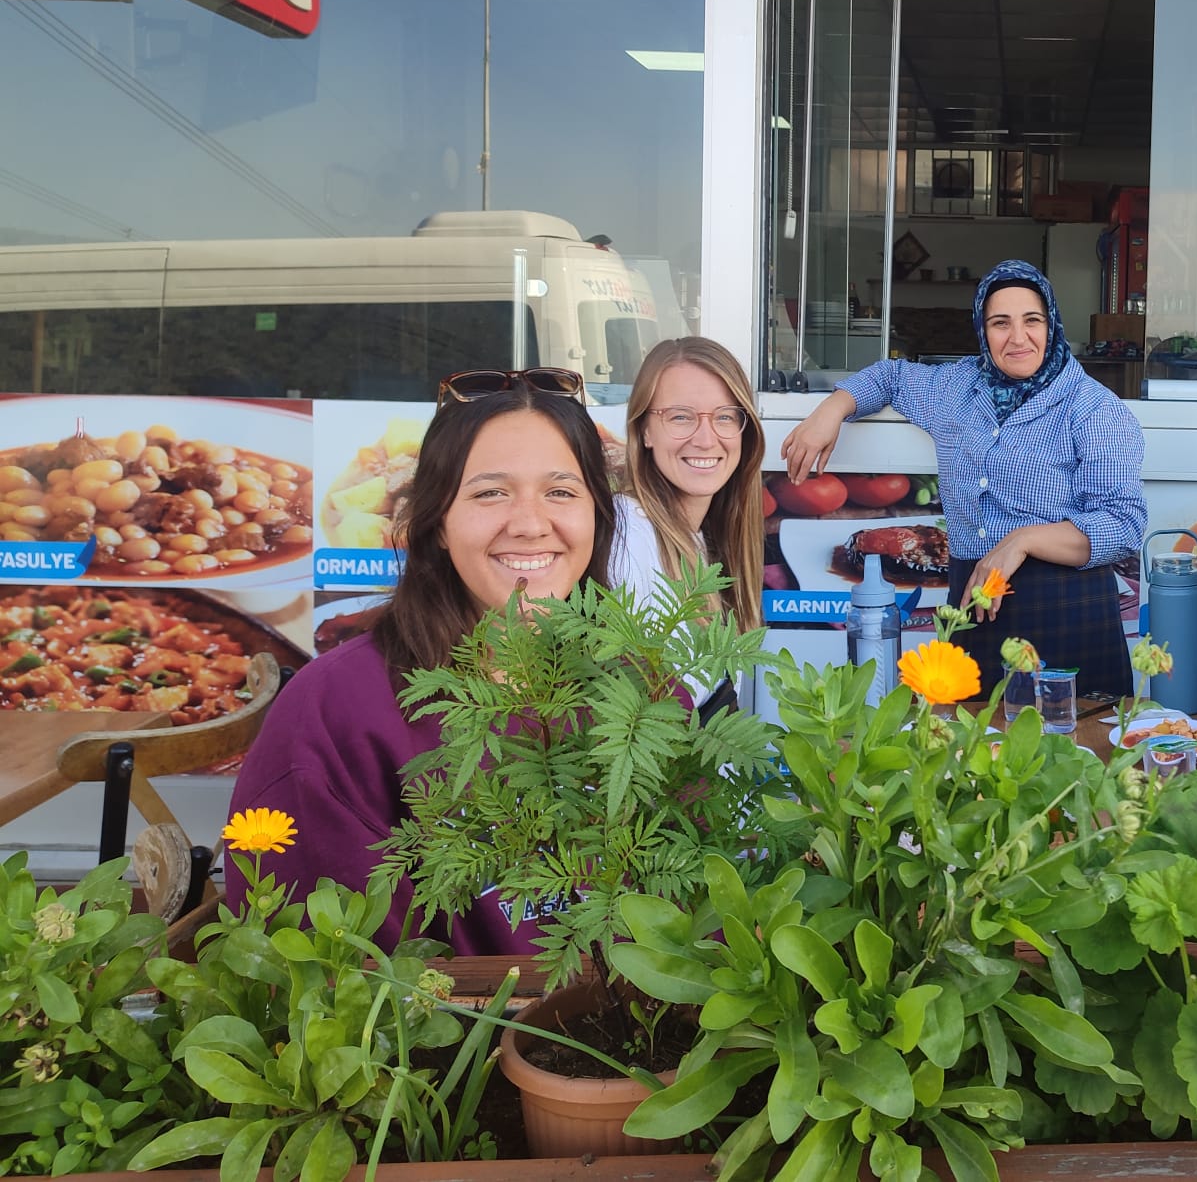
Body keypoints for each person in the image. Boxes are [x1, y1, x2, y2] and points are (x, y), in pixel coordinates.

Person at [225, 367, 616, 955]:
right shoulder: (334, 713)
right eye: (490, 492)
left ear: (597, 518)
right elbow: (332, 983)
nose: (532, 524)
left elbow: (688, 930)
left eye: (561, 491)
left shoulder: (643, 691)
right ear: (432, 523)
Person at [781, 260, 1145, 695]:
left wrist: (1021, 540)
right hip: (973, 605)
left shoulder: (1094, 410)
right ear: (981, 330)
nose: (1017, 337)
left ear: (1052, 324)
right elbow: (890, 376)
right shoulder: (956, 388)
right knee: (970, 748)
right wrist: (832, 409)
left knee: (1077, 750)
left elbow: (1123, 527)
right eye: (1000, 323)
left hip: (1066, 604)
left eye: (1032, 321)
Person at [611, 338, 766, 701]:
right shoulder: (629, 535)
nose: (706, 439)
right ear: (644, 430)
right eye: (681, 417)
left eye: (725, 416)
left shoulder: (700, 537)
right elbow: (653, 712)